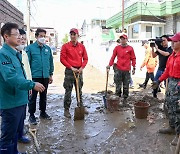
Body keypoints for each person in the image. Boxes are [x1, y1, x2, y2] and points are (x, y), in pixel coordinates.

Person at [0, 22, 45, 154]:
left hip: (20, 99)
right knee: (8, 136)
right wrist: (32, 84)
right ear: (6, 37)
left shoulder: (16, 53)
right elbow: (11, 78)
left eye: (20, 34)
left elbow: (23, 74)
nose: (20, 37)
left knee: (14, 133)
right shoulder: (3, 55)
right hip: (10, 102)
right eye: (17, 34)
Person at [152, 32, 180, 146]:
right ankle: (172, 127)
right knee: (169, 106)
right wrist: (158, 81)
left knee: (177, 110)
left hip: (178, 84)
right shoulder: (172, 55)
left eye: (175, 41)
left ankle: (178, 135)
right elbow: (167, 71)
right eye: (172, 41)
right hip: (171, 83)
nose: (172, 43)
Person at [26, 28, 54, 125]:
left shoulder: (47, 49)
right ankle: (31, 115)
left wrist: (50, 74)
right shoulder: (30, 48)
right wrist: (28, 77)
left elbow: (50, 62)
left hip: (45, 76)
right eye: (40, 36)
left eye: (44, 36)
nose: (42, 38)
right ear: (36, 36)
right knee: (32, 96)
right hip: (34, 76)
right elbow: (27, 63)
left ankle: (43, 112)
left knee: (44, 95)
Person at [60, 28, 88, 118]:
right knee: (68, 90)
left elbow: (86, 58)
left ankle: (80, 106)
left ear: (77, 35)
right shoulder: (65, 46)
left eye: (74, 34)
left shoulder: (82, 47)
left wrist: (81, 67)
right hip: (69, 71)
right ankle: (66, 109)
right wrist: (71, 67)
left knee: (79, 89)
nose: (72, 36)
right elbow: (62, 59)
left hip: (79, 71)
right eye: (71, 34)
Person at [106, 34, 136, 106]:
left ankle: (125, 100)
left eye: (124, 39)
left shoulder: (130, 48)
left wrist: (134, 67)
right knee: (118, 85)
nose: (122, 40)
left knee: (126, 86)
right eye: (121, 39)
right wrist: (109, 65)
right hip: (118, 69)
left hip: (127, 70)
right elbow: (113, 57)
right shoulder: (117, 48)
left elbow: (133, 58)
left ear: (126, 40)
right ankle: (117, 100)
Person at [16, 29, 31, 144]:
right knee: (13, 117)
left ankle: (20, 134)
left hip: (25, 87)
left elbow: (27, 71)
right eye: (20, 38)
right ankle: (14, 137)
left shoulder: (24, 53)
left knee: (22, 113)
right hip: (15, 89)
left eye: (24, 39)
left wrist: (30, 85)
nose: (22, 41)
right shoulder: (8, 55)